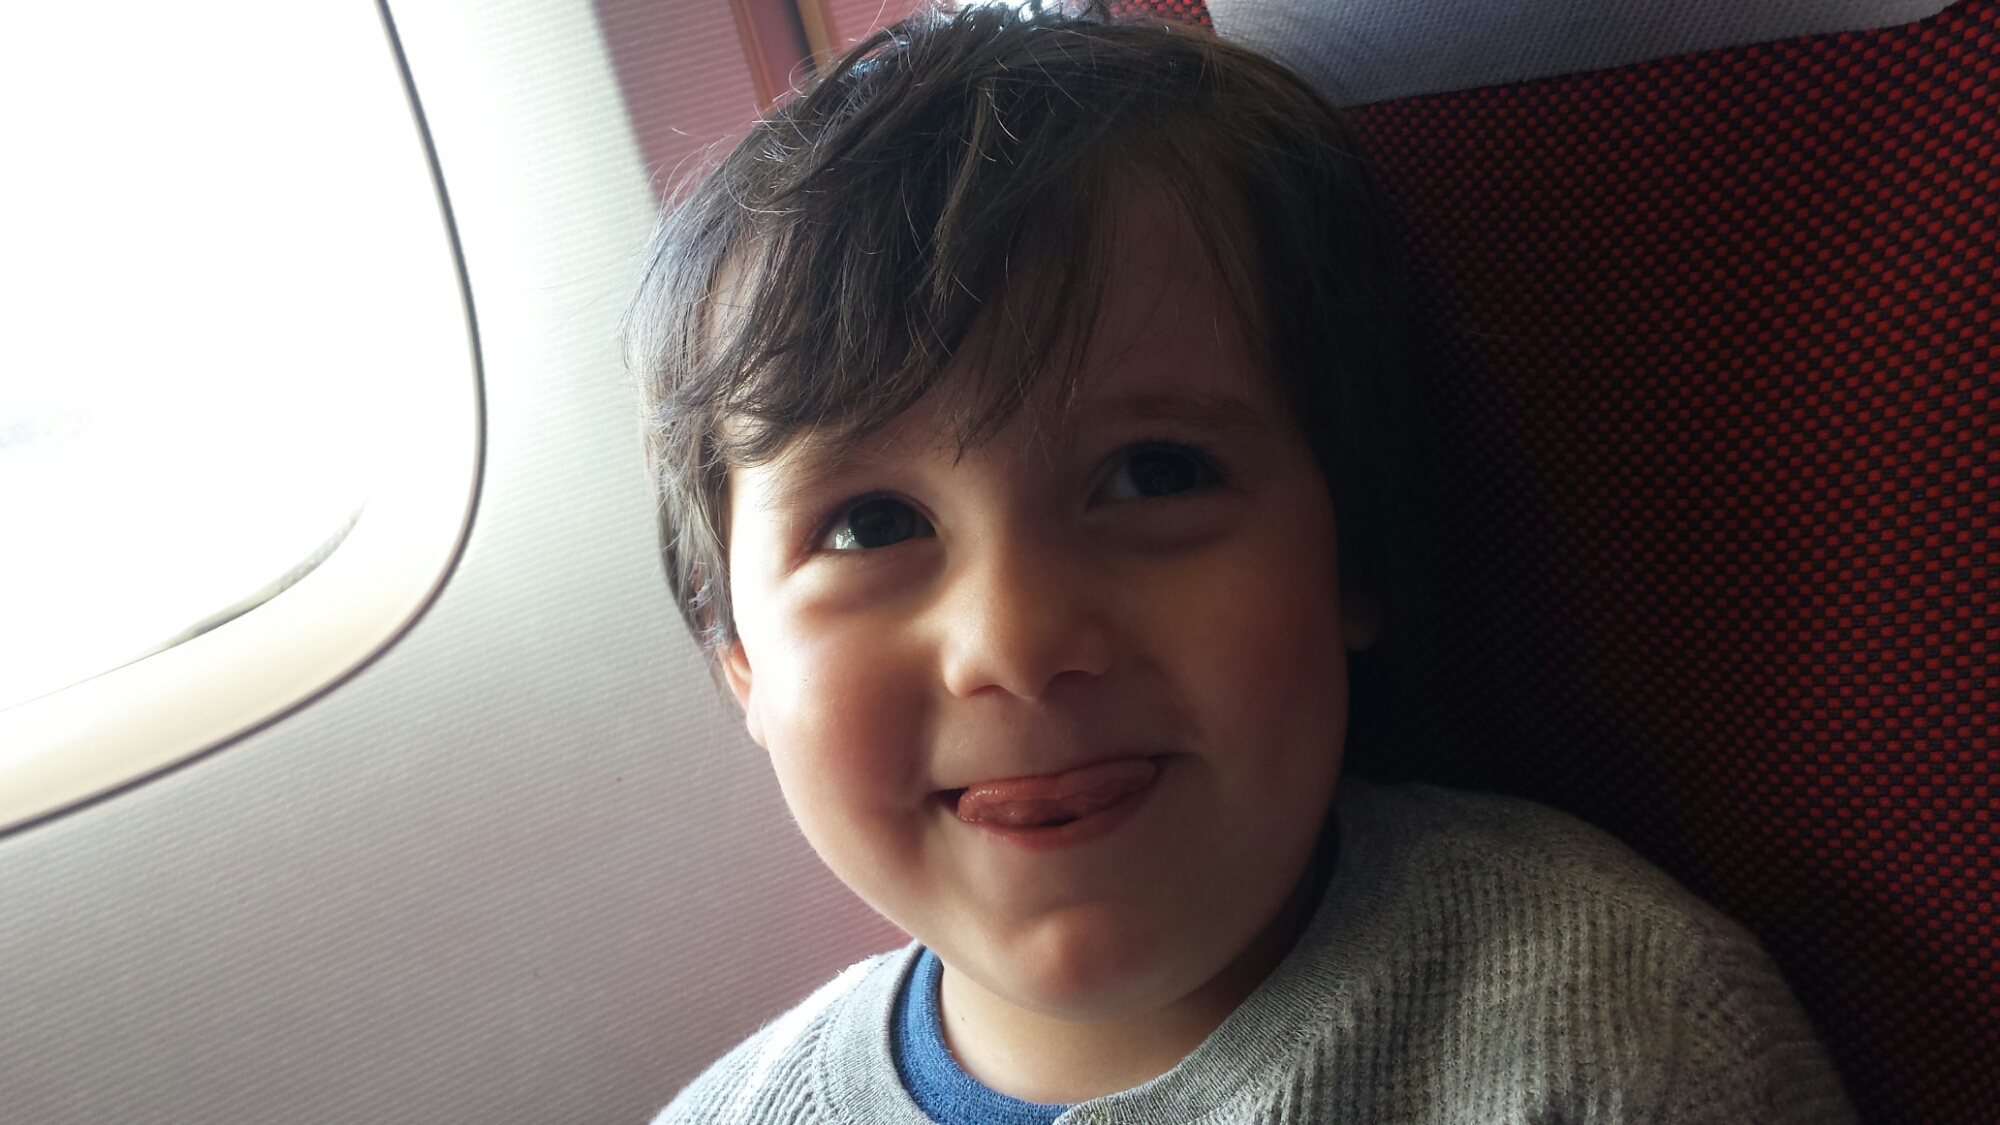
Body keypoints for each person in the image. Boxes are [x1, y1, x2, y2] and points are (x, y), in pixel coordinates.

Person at [628, 4, 1855, 1121]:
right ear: (739, 658)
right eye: (867, 526)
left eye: (1154, 473)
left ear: (1351, 546)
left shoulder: (1617, 1032)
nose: (1012, 640)